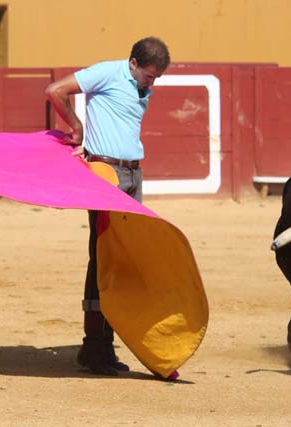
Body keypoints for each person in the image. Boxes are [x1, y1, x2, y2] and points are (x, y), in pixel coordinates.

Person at [45, 36, 171, 376]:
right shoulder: (107, 72)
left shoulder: (141, 86)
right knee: (103, 255)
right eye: (148, 76)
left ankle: (102, 345)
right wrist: (76, 127)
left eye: (156, 78)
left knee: (126, 258)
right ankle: (94, 346)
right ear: (133, 64)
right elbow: (56, 90)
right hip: (107, 174)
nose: (151, 83)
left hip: (133, 175)